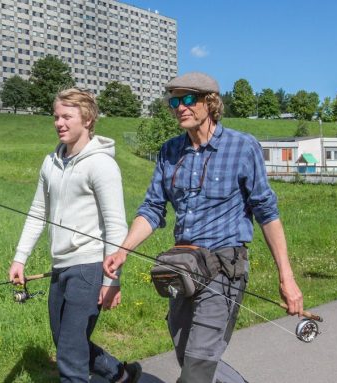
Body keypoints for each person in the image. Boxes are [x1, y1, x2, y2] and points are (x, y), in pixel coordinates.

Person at [103, 72, 304, 382]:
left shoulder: (242, 147)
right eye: (174, 101)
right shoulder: (169, 151)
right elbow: (153, 208)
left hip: (224, 269)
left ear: (210, 103)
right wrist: (123, 251)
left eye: (187, 100)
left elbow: (267, 212)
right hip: (181, 267)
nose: (180, 107)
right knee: (189, 357)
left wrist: (286, 277)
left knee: (197, 367)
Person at [9, 88, 141, 383]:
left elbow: (116, 225)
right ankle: (118, 374)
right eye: (56, 116)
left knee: (69, 355)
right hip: (60, 267)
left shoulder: (102, 164)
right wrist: (20, 259)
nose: (59, 123)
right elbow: (37, 213)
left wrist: (112, 280)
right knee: (66, 340)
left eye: (67, 116)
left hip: (91, 267)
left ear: (88, 119)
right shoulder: (51, 162)